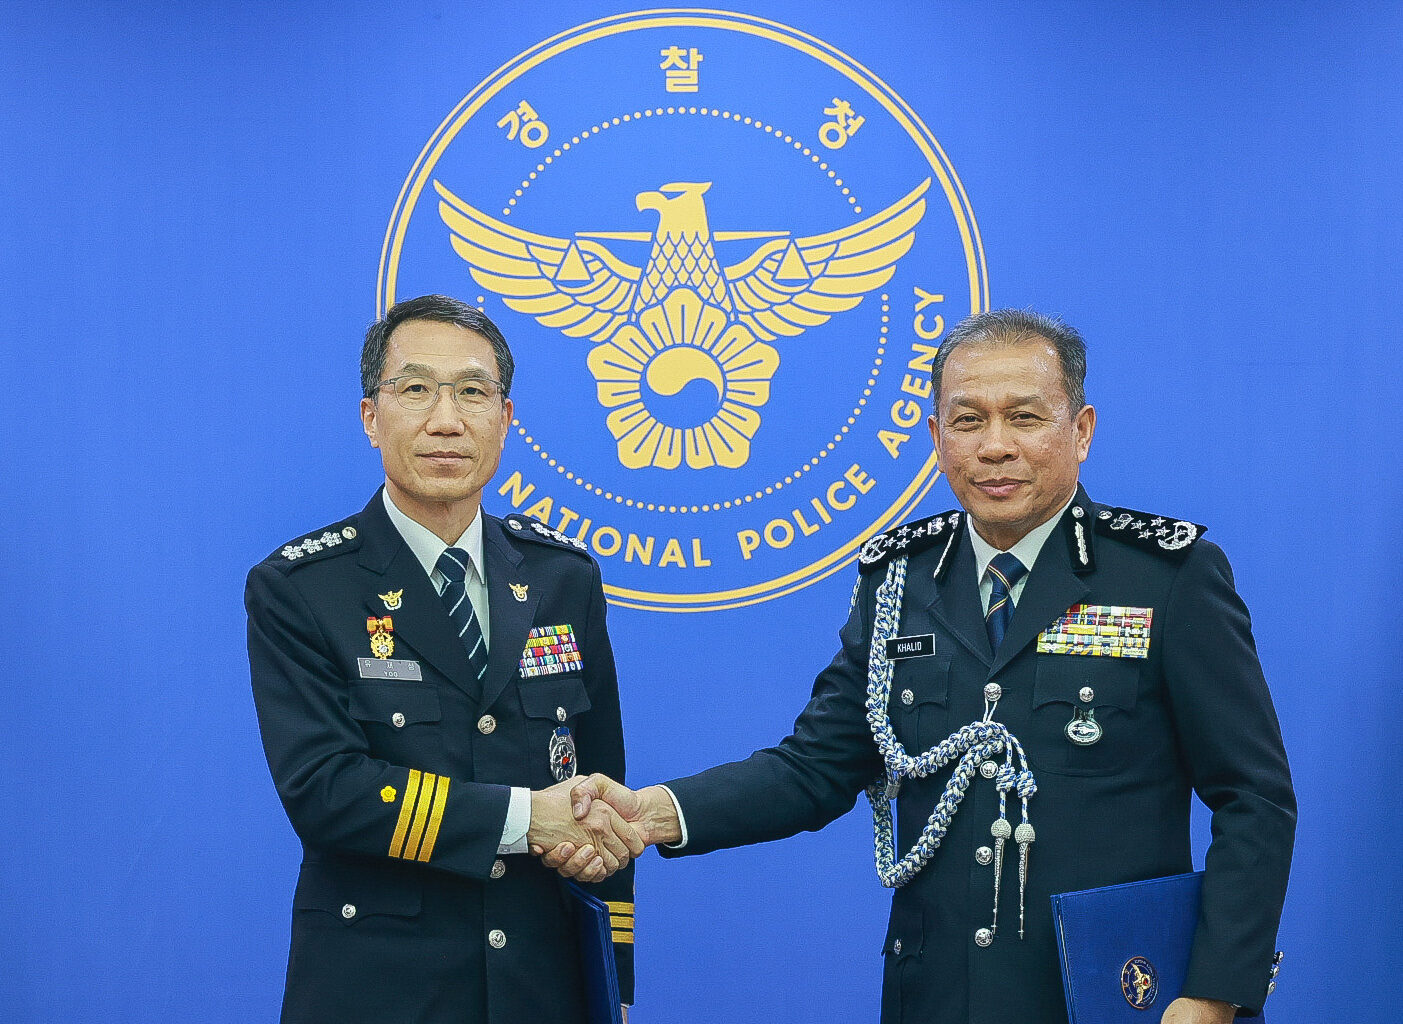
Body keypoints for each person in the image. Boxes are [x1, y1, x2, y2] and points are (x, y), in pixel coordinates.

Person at [549, 309, 1296, 1024]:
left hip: (1116, 993)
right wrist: (656, 811)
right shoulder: (898, 580)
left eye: (1025, 418)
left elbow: (1253, 799)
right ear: (937, 436)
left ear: (1081, 430)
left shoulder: (1165, 577)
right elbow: (814, 767)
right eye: (968, 420)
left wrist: (1215, 990)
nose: (994, 446)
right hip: (937, 994)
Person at [247, 294, 643, 1024]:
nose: (445, 420)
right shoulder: (302, 588)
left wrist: (609, 975)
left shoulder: (563, 578)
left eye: (471, 392)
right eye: (416, 389)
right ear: (371, 417)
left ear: (505, 418)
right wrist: (529, 820)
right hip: (381, 991)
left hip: (544, 985)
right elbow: (326, 791)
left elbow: (600, 786)